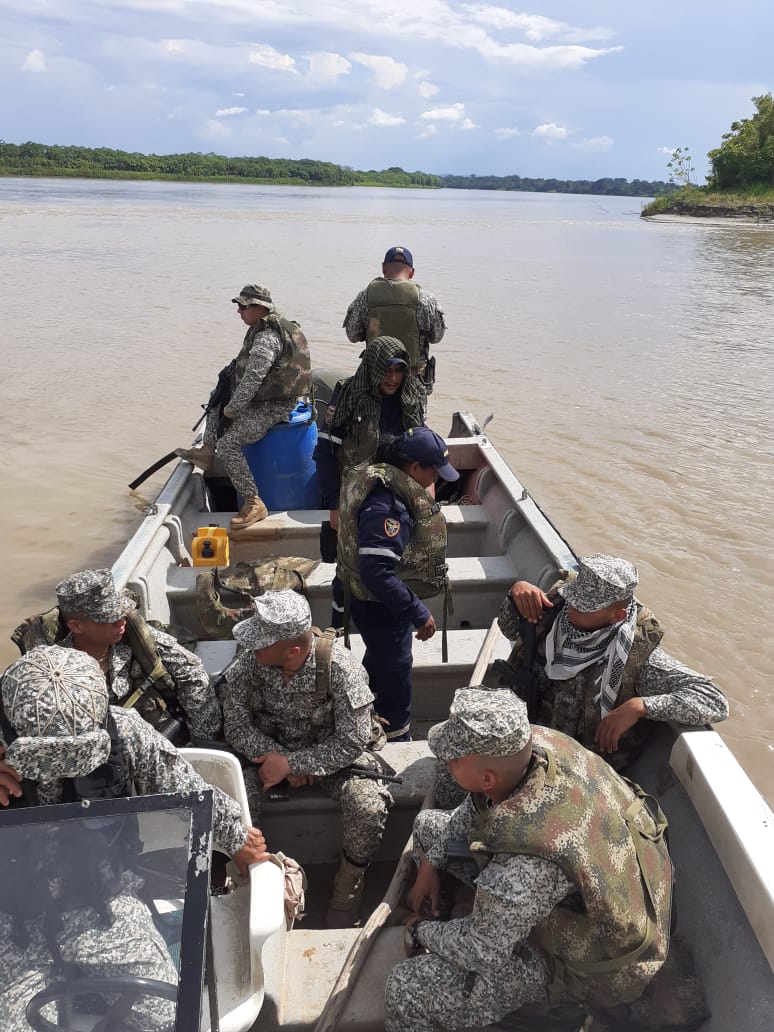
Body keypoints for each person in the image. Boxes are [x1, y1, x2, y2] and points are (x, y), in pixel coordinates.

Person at [0, 645, 270, 1032]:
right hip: (12, 919)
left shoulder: (124, 732)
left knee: (170, 1019)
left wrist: (241, 841)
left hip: (102, 901)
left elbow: (189, 791)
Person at [384, 687, 673, 1032]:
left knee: (406, 988)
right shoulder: (539, 744)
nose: (447, 763)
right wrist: (430, 865)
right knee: (431, 828)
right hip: (592, 897)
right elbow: (476, 805)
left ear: (487, 777)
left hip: (590, 965)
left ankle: (557, 1009)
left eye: (453, 759)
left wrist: (421, 931)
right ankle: (450, 914)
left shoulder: (523, 868)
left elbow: (482, 950)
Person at [0, 645, 268, 872]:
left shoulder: (123, 729)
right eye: (44, 758)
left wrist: (237, 838)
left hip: (100, 876)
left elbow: (181, 784)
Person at [220, 589, 392, 926]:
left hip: (330, 761)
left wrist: (296, 764)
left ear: (293, 650)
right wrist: (282, 761)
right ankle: (248, 885)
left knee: (369, 807)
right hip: (265, 759)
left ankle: (347, 890)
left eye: (261, 641)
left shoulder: (342, 670)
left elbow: (351, 740)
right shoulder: (248, 665)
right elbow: (237, 727)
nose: (252, 646)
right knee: (233, 804)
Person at [496, 554, 729, 771]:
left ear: (616, 616)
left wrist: (640, 706)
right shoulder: (555, 610)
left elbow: (714, 699)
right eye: (572, 597)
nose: (570, 607)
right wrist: (515, 596)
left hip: (577, 768)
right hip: (525, 735)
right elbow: (509, 629)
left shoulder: (637, 657)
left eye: (583, 606)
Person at [334, 427, 458, 741]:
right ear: (415, 468)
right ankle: (397, 736)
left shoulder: (387, 481)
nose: (437, 480)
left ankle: (363, 711)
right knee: (396, 672)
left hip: (373, 600)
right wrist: (417, 612)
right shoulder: (389, 507)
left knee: (378, 658)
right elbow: (376, 572)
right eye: (435, 472)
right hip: (379, 606)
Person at [11, 567, 221, 743]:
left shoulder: (135, 636)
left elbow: (192, 674)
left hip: (158, 742)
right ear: (76, 626)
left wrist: (203, 741)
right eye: (108, 618)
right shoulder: (52, 669)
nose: (121, 622)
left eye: (121, 613)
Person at [176, 283, 312, 530]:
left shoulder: (267, 338)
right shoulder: (259, 329)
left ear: (259, 308)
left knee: (228, 445)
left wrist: (233, 409)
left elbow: (253, 378)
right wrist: (225, 399)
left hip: (274, 405)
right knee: (218, 394)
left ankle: (253, 502)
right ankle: (207, 451)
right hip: (262, 399)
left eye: (243, 307)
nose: (239, 311)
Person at [314, 334, 427, 537]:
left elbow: (424, 448)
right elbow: (324, 451)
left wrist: (426, 495)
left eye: (398, 371)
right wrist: (334, 506)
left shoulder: (411, 397)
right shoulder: (348, 395)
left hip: (398, 492)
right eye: (386, 371)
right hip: (355, 493)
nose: (392, 379)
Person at [343, 245, 445, 397]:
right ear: (412, 272)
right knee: (414, 419)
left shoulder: (365, 297)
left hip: (376, 381)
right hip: (414, 384)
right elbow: (437, 337)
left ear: (384, 268)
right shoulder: (426, 299)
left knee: (374, 419)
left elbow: (352, 334)